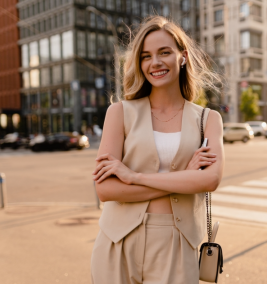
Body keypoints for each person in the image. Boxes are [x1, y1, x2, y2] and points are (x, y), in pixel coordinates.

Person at [91, 16, 224, 284]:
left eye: (165, 52)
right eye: (146, 56)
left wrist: (134, 177)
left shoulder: (208, 119)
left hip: (177, 243)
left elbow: (209, 180)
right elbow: (105, 190)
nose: (155, 62)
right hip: (117, 241)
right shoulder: (119, 113)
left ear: (182, 56)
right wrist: (186, 178)